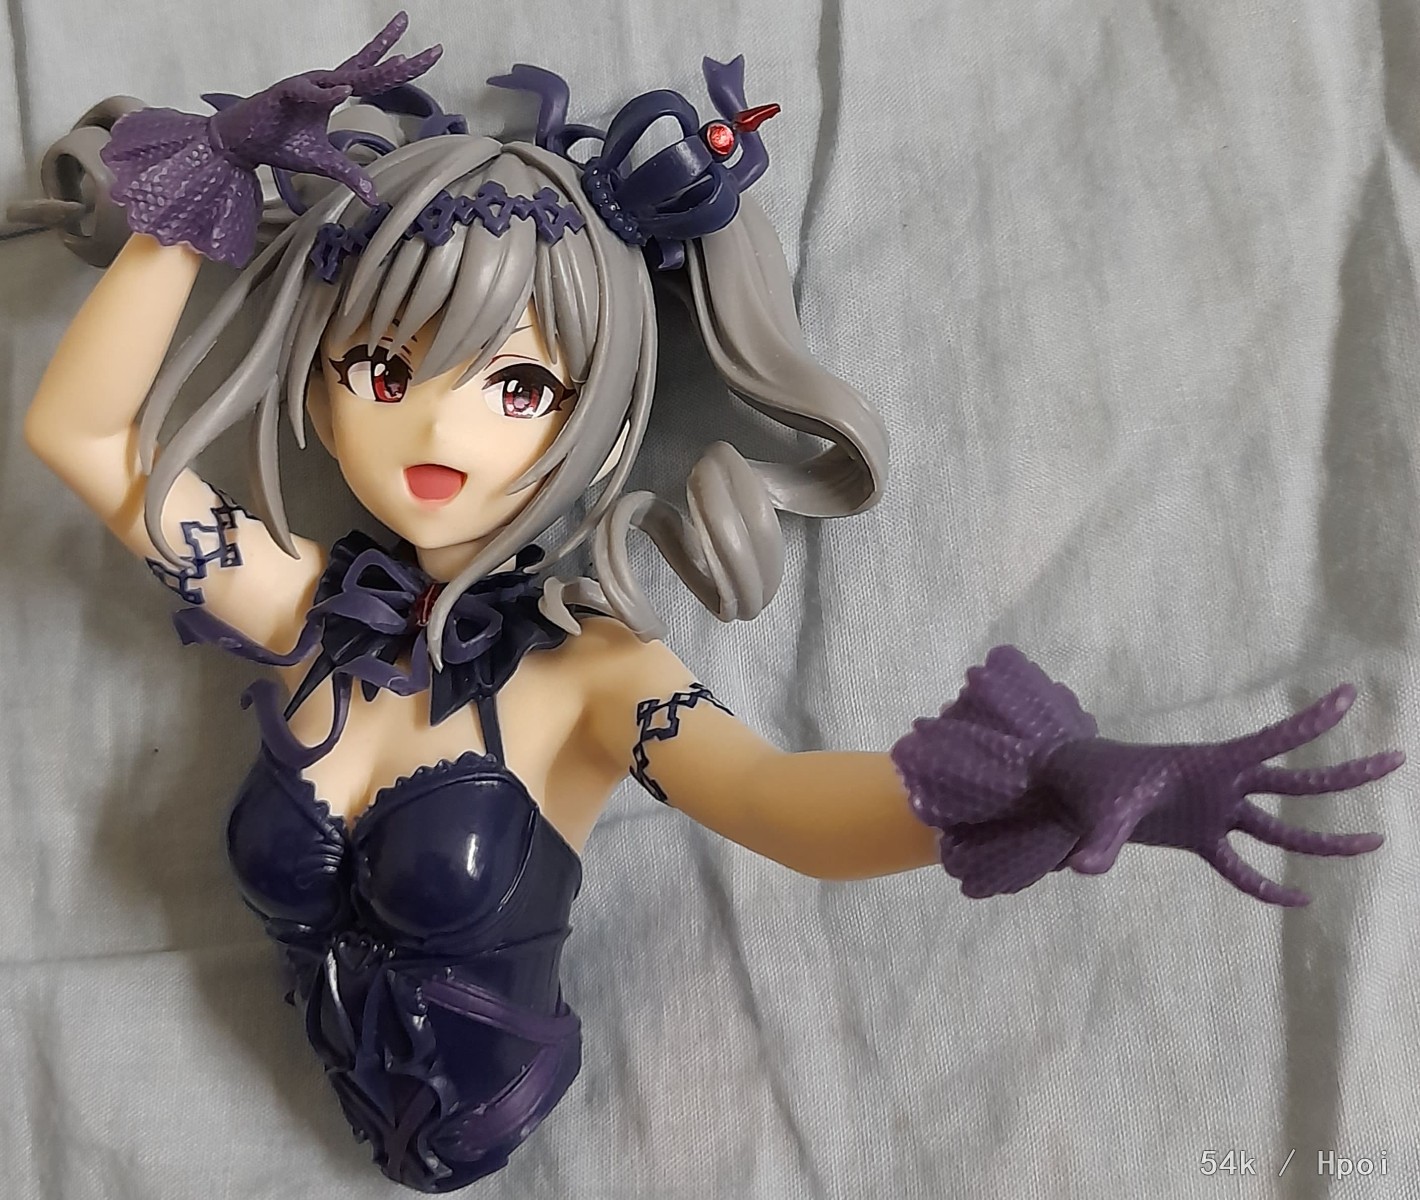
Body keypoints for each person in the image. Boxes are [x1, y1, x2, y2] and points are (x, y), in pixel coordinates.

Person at [14, 12, 1401, 1194]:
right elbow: (80, 437)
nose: (440, 427)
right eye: (384, 369)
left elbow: (780, 804)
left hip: (495, 1106)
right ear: (320, 390)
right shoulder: (299, 606)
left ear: (593, 414)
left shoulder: (587, 676)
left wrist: (1030, 787)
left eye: (517, 384)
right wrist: (203, 180)